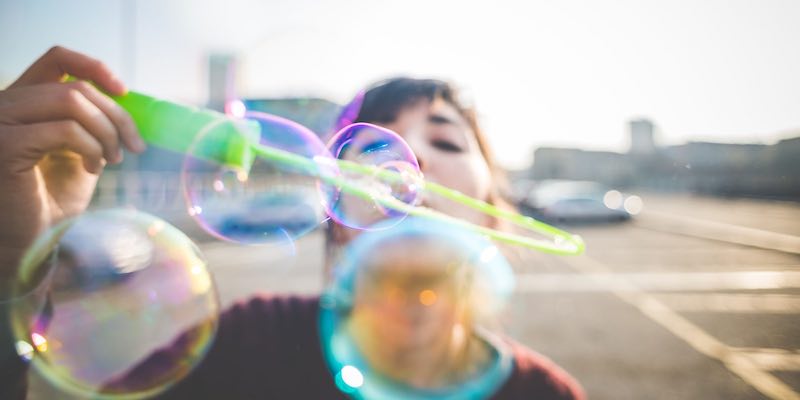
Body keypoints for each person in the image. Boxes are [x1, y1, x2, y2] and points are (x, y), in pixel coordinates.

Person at [0, 47, 585, 399]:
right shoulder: (246, 344)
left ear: (494, 201)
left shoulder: (542, 396)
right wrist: (12, 264)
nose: (411, 162)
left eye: (443, 138)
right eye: (376, 149)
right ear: (335, 212)